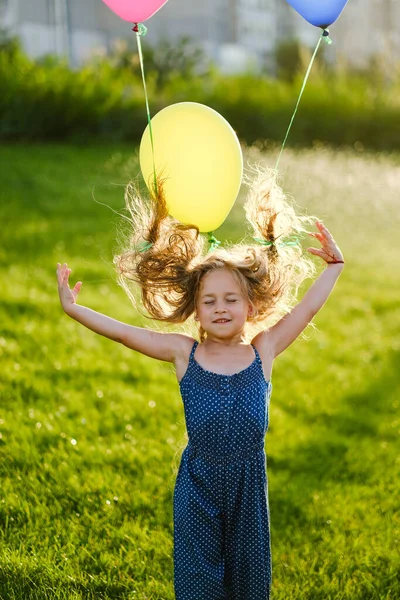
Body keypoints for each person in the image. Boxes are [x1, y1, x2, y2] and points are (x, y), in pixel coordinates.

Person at [56, 168, 344, 600]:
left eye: (231, 300)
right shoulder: (183, 353)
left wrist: (335, 267)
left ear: (250, 306)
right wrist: (75, 310)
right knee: (199, 582)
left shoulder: (263, 350)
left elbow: (305, 311)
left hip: (249, 489)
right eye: (209, 301)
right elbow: (125, 333)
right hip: (198, 486)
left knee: (247, 584)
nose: (221, 308)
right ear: (195, 310)